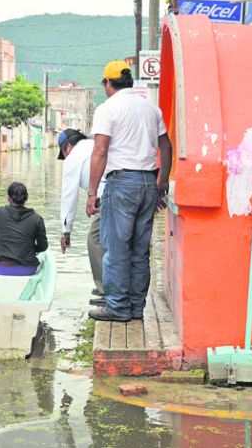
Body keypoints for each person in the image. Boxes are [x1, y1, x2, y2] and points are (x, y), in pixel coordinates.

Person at [85, 60, 173, 322]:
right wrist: (162, 182)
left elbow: (100, 151)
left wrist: (91, 193)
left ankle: (118, 307)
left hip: (121, 182)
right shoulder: (151, 109)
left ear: (108, 84)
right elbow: (166, 148)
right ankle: (136, 307)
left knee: (116, 248)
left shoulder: (107, 109)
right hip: (148, 182)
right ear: (130, 82)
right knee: (139, 249)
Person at [57, 128, 107, 306]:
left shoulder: (73, 158)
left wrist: (66, 232)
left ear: (68, 147)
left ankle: (106, 291)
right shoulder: (94, 145)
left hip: (106, 198)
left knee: (95, 240)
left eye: (63, 153)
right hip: (120, 192)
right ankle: (112, 288)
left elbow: (69, 197)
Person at [0, 182, 48, 276]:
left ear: (8, 198)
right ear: (26, 198)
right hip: (26, 269)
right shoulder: (37, 219)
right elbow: (43, 246)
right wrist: (31, 249)